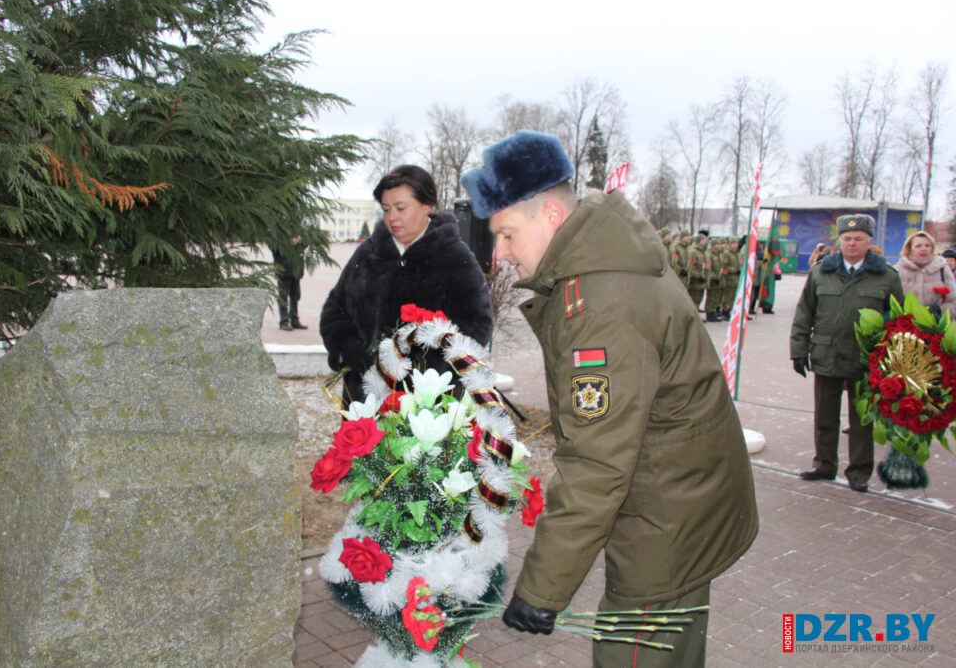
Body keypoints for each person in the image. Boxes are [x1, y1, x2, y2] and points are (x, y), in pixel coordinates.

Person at [461, 131, 758, 667]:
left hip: (666, 516)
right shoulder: (598, 260)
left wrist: (542, 588)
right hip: (680, 494)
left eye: (506, 234)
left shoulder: (600, 304)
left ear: (551, 215)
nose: (499, 254)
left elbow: (597, 461)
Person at [319, 165, 494, 405]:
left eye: (401, 208)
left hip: (426, 405)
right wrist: (346, 347)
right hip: (365, 399)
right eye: (386, 209)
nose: (392, 217)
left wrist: (425, 362)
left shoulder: (454, 258)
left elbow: (478, 325)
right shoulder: (368, 254)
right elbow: (334, 309)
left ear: (427, 205)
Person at [790, 214, 904, 493]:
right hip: (827, 354)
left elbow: (899, 321)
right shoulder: (820, 273)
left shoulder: (887, 277)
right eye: (847, 239)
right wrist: (798, 350)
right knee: (825, 417)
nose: (852, 244)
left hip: (866, 360)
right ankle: (824, 465)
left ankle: (859, 472)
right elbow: (804, 313)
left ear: (869, 242)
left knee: (861, 420)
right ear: (839, 241)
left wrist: (893, 361)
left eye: (858, 239)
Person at [895, 231, 956, 320]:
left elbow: (953, 301)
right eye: (918, 246)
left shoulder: (942, 269)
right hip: (907, 326)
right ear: (909, 248)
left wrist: (939, 311)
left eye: (927, 245)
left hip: (936, 326)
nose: (923, 249)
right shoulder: (898, 270)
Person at [274, 231, 307, 331]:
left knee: (296, 296)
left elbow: (304, 245)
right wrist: (292, 242)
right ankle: (284, 321)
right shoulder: (276, 231)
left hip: (296, 271)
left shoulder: (296, 229)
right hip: (284, 270)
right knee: (283, 297)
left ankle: (295, 320)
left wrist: (304, 237)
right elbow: (276, 248)